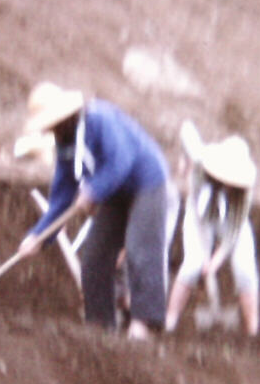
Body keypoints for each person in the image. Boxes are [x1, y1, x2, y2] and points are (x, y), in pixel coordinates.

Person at [17, 82, 170, 338]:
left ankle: (145, 323)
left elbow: (122, 159)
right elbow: (62, 196)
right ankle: (100, 327)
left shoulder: (101, 119)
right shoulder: (65, 143)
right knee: (94, 258)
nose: (52, 129)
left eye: (54, 123)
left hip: (146, 183)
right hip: (114, 193)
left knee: (139, 248)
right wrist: (39, 236)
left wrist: (92, 191)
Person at [164, 122, 260, 336]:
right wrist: (184, 159)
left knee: (245, 268)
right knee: (193, 264)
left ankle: (253, 332)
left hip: (229, 219)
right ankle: (169, 323)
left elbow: (233, 230)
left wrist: (215, 262)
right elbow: (186, 129)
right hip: (199, 212)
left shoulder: (244, 190)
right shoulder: (201, 161)